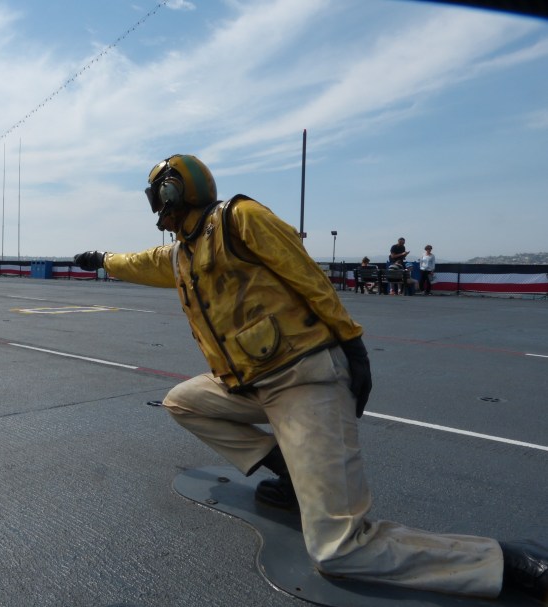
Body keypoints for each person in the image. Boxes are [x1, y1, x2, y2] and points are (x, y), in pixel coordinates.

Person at [74, 154, 547, 601]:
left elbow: (307, 277)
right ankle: (290, 475)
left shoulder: (240, 219)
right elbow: (136, 262)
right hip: (249, 385)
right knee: (182, 401)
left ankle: (505, 561)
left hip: (303, 378)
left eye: (158, 195)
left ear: (175, 190)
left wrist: (352, 344)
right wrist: (100, 258)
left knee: (340, 551)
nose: (157, 207)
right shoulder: (180, 254)